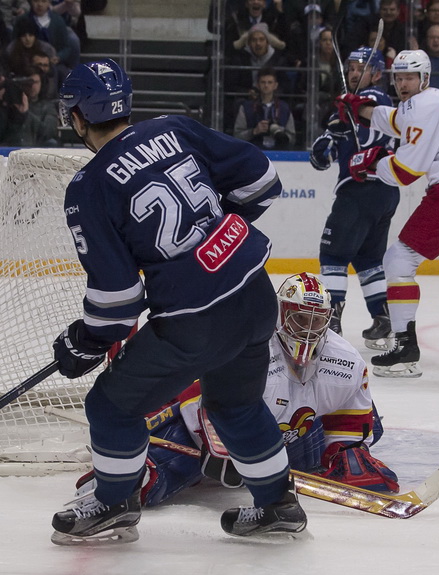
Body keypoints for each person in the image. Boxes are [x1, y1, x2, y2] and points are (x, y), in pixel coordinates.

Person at [50, 59, 304, 545]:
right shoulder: (174, 129)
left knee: (110, 406)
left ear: (77, 116)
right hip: (254, 297)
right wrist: (211, 241)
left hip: (196, 323)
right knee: (235, 405)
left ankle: (115, 502)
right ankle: (278, 504)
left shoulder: (89, 187)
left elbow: (117, 300)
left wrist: (83, 343)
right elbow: (263, 181)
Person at [73, 273, 397, 508]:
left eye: (317, 321)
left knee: (370, 427)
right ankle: (128, 475)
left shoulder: (344, 359)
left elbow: (347, 410)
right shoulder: (249, 341)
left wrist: (344, 450)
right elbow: (198, 398)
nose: (308, 329)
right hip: (203, 428)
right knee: (156, 481)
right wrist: (221, 446)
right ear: (281, 312)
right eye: (300, 318)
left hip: (285, 435)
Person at [336, 49, 439, 378]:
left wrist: (369, 162)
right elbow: (396, 120)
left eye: (410, 77)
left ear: (424, 78)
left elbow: (406, 171)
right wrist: (362, 110)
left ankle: (404, 349)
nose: (403, 83)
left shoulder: (424, 105)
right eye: (398, 77)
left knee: (398, 261)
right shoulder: (432, 102)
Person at [309, 47, 398, 348]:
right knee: (369, 259)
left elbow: (371, 132)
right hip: (382, 194)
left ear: (377, 74)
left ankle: (332, 319)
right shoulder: (346, 107)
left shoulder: (376, 99)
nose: (355, 72)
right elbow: (322, 159)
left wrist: (347, 116)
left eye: (362, 67)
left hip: (362, 190)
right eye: (351, 68)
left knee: (333, 255)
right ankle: (384, 318)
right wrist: (326, 143)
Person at [233, 67, 296, 150]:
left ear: (275, 85)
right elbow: (237, 136)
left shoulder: (284, 108)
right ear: (257, 85)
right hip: (253, 152)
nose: (266, 85)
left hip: (279, 154)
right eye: (263, 82)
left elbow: (292, 138)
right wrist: (254, 131)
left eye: (270, 82)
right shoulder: (245, 107)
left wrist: (280, 133)